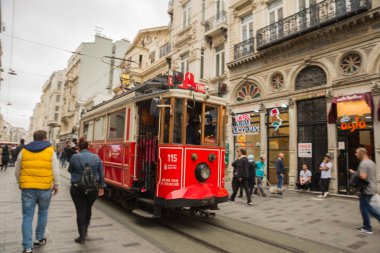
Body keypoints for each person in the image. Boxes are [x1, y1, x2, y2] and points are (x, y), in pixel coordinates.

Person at [15, 130, 60, 253]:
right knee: (43, 212)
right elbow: (55, 170)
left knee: (27, 216)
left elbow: (17, 170)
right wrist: (56, 185)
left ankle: (27, 247)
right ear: (45, 138)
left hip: (27, 189)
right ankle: (39, 239)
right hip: (45, 188)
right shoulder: (51, 151)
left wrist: (21, 183)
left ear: (34, 139)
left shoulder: (23, 151)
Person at [68, 137, 106, 244]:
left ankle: (82, 237)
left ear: (79, 147)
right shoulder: (96, 157)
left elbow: (70, 170)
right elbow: (101, 173)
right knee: (88, 208)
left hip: (77, 188)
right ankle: (86, 232)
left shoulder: (75, 157)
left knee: (80, 210)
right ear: (88, 147)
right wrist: (102, 187)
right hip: (92, 188)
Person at [349, 148, 380, 235]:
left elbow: (363, 177)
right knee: (368, 207)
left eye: (356, 153)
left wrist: (354, 174)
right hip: (373, 188)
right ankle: (367, 226)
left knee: (365, 208)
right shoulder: (371, 162)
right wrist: (356, 172)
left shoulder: (363, 164)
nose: (355, 154)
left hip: (366, 189)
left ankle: (367, 227)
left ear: (361, 153)